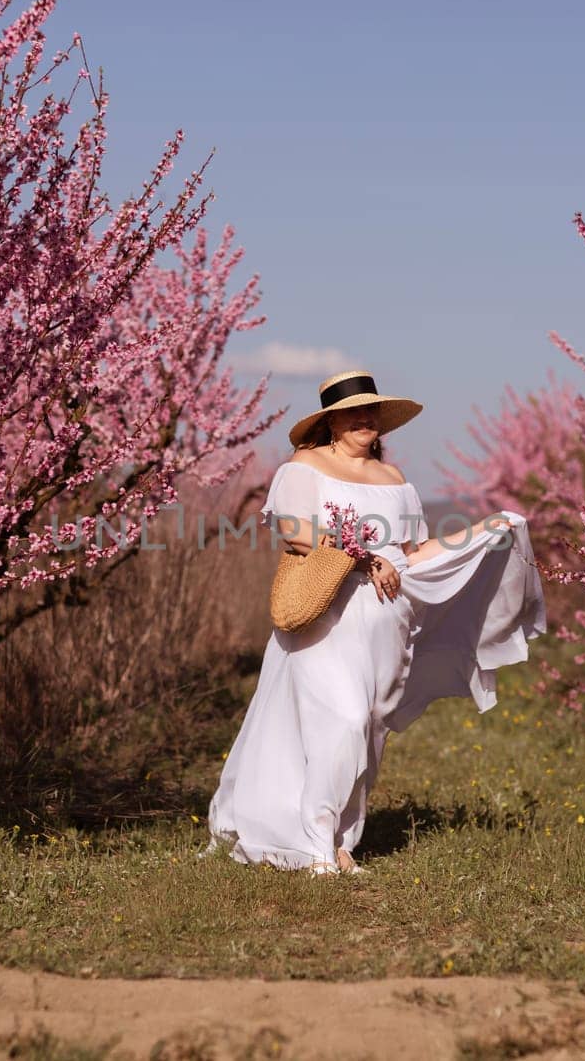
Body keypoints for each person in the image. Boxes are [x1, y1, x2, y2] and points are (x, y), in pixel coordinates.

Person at [206, 370, 547, 875]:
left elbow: (414, 554)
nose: (366, 419)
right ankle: (316, 845)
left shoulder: (395, 481)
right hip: (327, 613)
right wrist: (364, 558)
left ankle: (343, 839)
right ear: (331, 422)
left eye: (373, 412)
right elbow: (294, 532)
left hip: (387, 619)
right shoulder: (305, 466)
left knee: (368, 726)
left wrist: (482, 530)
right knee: (340, 720)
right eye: (353, 412)